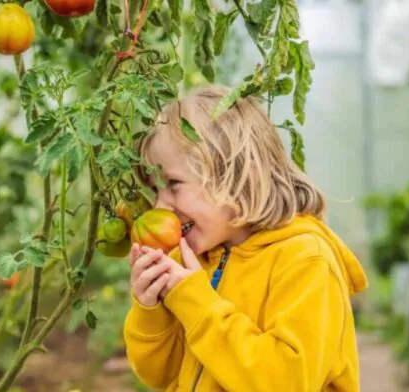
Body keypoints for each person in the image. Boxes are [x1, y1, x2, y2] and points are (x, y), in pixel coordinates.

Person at [122, 84, 369, 391]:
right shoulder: (194, 261)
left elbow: (284, 382)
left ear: (238, 174)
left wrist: (197, 303)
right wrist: (151, 310)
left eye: (173, 183)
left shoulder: (305, 261)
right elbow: (161, 375)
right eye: (154, 189)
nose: (160, 207)